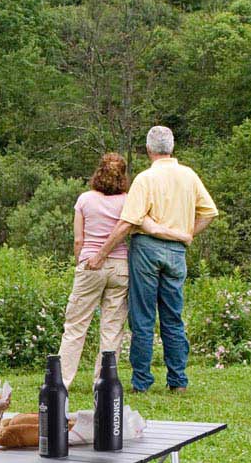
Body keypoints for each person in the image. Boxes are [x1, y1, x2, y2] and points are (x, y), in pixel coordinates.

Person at [86, 126, 218, 394]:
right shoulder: (189, 176)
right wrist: (186, 233)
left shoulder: (145, 179)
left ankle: (142, 382)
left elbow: (127, 223)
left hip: (147, 249)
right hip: (177, 251)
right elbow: (209, 212)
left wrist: (101, 253)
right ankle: (178, 381)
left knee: (143, 317)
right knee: (173, 317)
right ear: (172, 147)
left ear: (148, 149)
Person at [58, 152, 192, 389]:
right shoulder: (129, 200)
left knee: (76, 326)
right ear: (123, 176)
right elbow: (143, 227)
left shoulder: (84, 200)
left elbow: (78, 240)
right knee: (112, 328)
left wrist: (83, 262)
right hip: (120, 267)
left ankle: (62, 381)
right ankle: (103, 381)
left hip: (91, 264)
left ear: (98, 172)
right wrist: (181, 235)